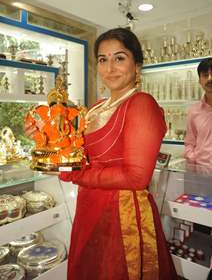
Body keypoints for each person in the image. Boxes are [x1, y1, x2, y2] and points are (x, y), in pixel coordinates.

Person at [27, 28, 178, 279]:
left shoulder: (141, 104)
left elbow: (136, 177)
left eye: (119, 58)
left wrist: (78, 175)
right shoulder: (96, 108)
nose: (110, 67)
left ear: (137, 64)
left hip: (122, 215)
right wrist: (45, 135)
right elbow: (72, 152)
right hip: (89, 208)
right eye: (102, 59)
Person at [184, 57, 212, 165]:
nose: (210, 78)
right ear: (200, 81)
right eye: (205, 75)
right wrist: (194, 158)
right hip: (201, 173)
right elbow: (189, 143)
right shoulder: (194, 111)